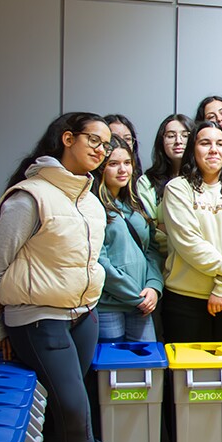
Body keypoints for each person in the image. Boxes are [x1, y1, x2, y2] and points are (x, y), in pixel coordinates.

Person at [0, 112, 128, 442]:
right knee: (76, 409)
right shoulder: (30, 197)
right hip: (37, 318)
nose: (101, 150)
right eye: (93, 141)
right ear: (66, 139)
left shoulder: (91, 200)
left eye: (106, 144)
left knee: (66, 412)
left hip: (82, 317)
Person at [159, 120, 222, 343]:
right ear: (193, 149)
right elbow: (188, 241)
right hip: (186, 299)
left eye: (220, 143)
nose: (214, 149)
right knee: (188, 374)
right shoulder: (177, 188)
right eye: (205, 143)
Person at [93, 136, 163, 343]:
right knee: (111, 369)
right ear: (100, 168)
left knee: (145, 367)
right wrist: (135, 296)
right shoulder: (93, 206)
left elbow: (152, 249)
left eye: (127, 163)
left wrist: (154, 287)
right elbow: (98, 260)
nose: (122, 170)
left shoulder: (135, 205)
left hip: (142, 302)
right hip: (109, 304)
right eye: (113, 164)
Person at [137, 113, 192, 255]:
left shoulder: (204, 179)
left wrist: (167, 226)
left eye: (185, 135)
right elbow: (150, 230)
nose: (178, 141)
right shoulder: (147, 181)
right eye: (171, 136)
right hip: (160, 259)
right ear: (161, 141)